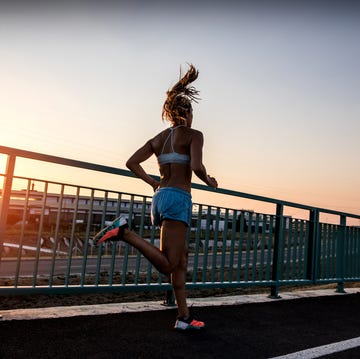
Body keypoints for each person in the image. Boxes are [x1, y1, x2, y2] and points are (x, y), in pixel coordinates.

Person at [93, 64, 218, 330]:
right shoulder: (194, 135)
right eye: (192, 111)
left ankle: (183, 317)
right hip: (178, 199)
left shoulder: (158, 138)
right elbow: (196, 167)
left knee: (180, 260)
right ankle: (124, 233)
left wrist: (152, 182)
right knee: (169, 263)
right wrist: (209, 180)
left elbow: (131, 162)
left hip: (160, 198)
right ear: (187, 112)